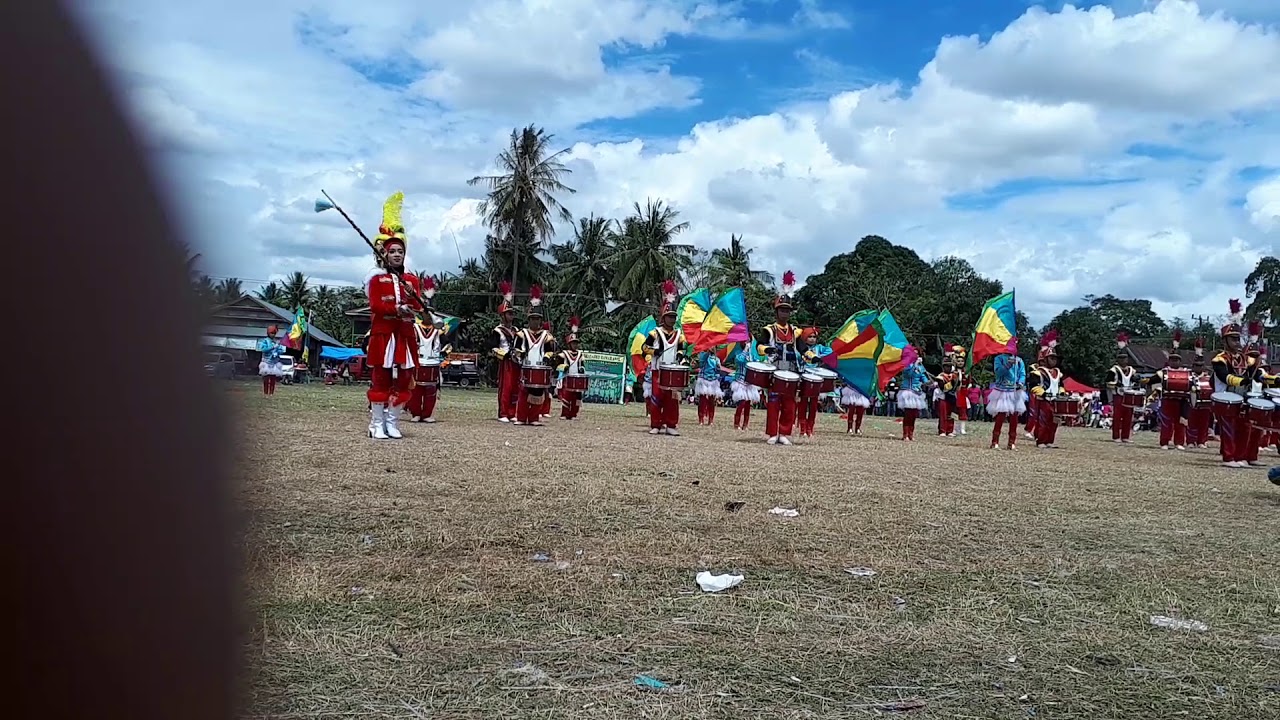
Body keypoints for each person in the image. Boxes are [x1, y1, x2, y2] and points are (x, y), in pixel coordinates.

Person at [364, 193, 423, 440]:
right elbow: (376, 305)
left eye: (400, 251)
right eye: (393, 251)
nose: (397, 255)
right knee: (381, 377)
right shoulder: (376, 278)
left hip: (405, 336)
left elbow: (419, 307)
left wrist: (412, 302)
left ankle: (393, 421)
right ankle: (376, 423)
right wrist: (396, 310)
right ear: (385, 254)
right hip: (384, 334)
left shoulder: (412, 279)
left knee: (405, 378)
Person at [755, 271, 806, 445]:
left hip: (791, 370)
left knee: (789, 403)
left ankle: (784, 433)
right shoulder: (769, 329)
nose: (785, 313)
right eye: (782, 310)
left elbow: (803, 348)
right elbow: (759, 345)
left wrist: (812, 357)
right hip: (774, 370)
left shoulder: (795, 331)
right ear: (776, 311)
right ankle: (772, 433)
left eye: (787, 310)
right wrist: (767, 349)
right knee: (774, 402)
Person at [1210, 302, 1259, 468]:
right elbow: (1224, 377)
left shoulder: (1246, 359)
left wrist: (1272, 380)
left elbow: (1258, 374)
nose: (1237, 341)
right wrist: (1243, 381)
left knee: (1245, 427)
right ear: (1225, 340)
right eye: (1233, 338)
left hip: (1242, 397)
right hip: (1225, 397)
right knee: (1229, 428)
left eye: (1239, 338)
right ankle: (1229, 457)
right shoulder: (1220, 359)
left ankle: (1240, 456)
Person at [406, 279, 453, 424]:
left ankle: (427, 414)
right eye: (426, 314)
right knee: (416, 390)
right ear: (422, 315)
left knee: (431, 391)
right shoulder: (415, 328)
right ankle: (416, 413)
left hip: (433, 363)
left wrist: (444, 354)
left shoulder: (439, 331)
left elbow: (448, 345)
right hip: (419, 362)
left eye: (431, 314)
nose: (429, 316)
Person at [643, 281, 687, 436]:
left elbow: (681, 350)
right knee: (657, 398)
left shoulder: (678, 334)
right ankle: (656, 424)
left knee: (672, 400)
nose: (672, 320)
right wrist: (655, 352)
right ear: (664, 318)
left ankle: (671, 424)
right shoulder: (654, 333)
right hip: (658, 370)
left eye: (674, 317)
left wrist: (681, 358)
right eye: (669, 317)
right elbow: (644, 348)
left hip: (672, 371)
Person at [513, 286, 555, 426]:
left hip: (540, 367)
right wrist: (520, 354)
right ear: (529, 320)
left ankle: (534, 418)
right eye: (533, 319)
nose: (535, 321)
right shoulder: (521, 334)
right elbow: (516, 350)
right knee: (524, 393)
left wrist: (547, 357)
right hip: (526, 366)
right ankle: (521, 417)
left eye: (538, 319)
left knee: (538, 394)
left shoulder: (546, 336)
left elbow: (550, 350)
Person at [1150, 335, 1189, 450]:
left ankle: (1179, 442)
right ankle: (1165, 442)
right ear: (1169, 361)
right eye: (1172, 360)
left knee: (1181, 422)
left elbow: (1191, 384)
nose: (1174, 362)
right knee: (1166, 422)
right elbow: (1152, 380)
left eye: (1176, 360)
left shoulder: (1186, 373)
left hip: (1181, 400)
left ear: (1180, 361)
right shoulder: (1163, 372)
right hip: (1167, 399)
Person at [1028, 330, 1064, 449]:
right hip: (1044, 400)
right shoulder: (1038, 372)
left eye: (1055, 359)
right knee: (1043, 421)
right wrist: (1043, 393)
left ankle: (1050, 440)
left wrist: (1062, 393)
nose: (1054, 361)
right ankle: (1041, 441)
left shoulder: (1058, 373)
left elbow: (1060, 385)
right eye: (1051, 358)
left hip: (1056, 400)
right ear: (1044, 359)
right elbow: (1033, 386)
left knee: (1054, 422)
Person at [490, 282, 521, 423]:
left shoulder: (517, 331)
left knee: (516, 387)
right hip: (505, 362)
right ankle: (503, 413)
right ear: (502, 315)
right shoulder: (497, 331)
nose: (511, 316)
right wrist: (505, 355)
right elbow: (493, 348)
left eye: (512, 313)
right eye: (509, 313)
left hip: (517, 362)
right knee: (506, 388)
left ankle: (512, 412)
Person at [987, 351, 1026, 450]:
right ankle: (995, 441)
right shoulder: (999, 358)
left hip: (1015, 390)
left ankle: (1011, 442)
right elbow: (998, 372)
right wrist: (1008, 364)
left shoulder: (1019, 360)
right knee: (1000, 416)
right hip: (1003, 390)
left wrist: (1021, 382)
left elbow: (1022, 373)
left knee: (1014, 417)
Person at [1105, 334, 1140, 443]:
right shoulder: (1113, 370)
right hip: (1118, 395)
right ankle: (1116, 436)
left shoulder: (1132, 370)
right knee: (1117, 417)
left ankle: (1126, 436)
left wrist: (1136, 380)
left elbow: (1135, 381)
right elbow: (1107, 383)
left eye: (1125, 358)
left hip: (1129, 395)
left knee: (1128, 416)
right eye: (1121, 359)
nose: (1123, 361)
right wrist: (1115, 384)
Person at [798, 327, 831, 439]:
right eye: (809, 337)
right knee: (802, 403)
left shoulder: (819, 348)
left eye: (814, 337)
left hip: (816, 377)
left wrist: (819, 358)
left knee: (813, 404)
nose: (812, 339)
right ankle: (802, 429)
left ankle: (810, 429)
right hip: (804, 376)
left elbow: (830, 352)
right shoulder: (800, 349)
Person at [555, 318, 586, 421]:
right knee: (566, 396)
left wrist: (581, 369)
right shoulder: (563, 354)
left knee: (576, 398)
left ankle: (574, 414)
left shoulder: (580, 354)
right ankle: (565, 413)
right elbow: (558, 366)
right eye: (573, 343)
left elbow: (582, 365)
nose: (575, 345)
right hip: (567, 378)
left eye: (576, 343)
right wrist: (564, 367)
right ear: (569, 344)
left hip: (577, 379)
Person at [726, 344, 761, 431]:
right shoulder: (738, 352)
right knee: (741, 403)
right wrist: (745, 350)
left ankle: (745, 425)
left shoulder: (751, 353)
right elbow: (739, 360)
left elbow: (756, 362)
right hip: (740, 381)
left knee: (748, 405)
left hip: (749, 381)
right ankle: (736, 424)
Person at [1187, 344, 1213, 448]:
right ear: (1193, 366)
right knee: (1191, 423)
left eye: (1200, 365)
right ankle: (1190, 441)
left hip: (1205, 404)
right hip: (1191, 403)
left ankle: (1202, 441)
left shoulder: (1207, 377)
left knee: (1204, 424)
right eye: (1197, 365)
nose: (1199, 367)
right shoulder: (1189, 376)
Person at [896, 358, 929, 441]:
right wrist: (915, 364)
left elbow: (923, 378)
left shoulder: (920, 367)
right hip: (907, 391)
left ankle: (911, 434)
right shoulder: (907, 365)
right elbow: (909, 374)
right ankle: (905, 434)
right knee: (908, 415)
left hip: (917, 392)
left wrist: (931, 383)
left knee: (914, 415)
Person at [694, 350, 726, 426]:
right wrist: (707, 352)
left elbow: (718, 371)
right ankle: (701, 419)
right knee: (703, 400)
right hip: (704, 379)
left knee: (711, 400)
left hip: (713, 380)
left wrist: (718, 368)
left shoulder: (716, 359)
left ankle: (710, 420)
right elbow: (701, 364)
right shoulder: (703, 355)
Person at [256, 325, 286, 396]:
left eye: (274, 333)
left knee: (273, 379)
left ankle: (271, 393)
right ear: (268, 333)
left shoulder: (275, 341)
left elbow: (279, 351)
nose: (273, 335)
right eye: (271, 333)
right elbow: (263, 349)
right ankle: (266, 393)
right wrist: (272, 347)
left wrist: (279, 350)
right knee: (266, 379)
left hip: (274, 362)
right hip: (266, 362)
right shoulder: (265, 341)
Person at [951, 346, 970, 435]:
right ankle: (953, 428)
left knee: (963, 411)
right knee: (954, 411)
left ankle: (962, 428)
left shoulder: (966, 372)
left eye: (962, 361)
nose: (960, 362)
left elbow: (969, 382)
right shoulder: (953, 371)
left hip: (963, 393)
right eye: (958, 361)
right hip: (955, 393)